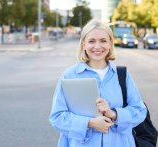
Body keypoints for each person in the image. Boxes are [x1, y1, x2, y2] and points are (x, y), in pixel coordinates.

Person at [49, 19, 147, 147]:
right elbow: (57, 117)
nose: (97, 46)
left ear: (110, 43)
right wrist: (90, 123)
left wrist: (114, 114)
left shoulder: (122, 75)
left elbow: (139, 111)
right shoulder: (69, 75)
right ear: (83, 44)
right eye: (91, 41)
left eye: (103, 41)